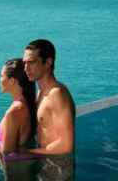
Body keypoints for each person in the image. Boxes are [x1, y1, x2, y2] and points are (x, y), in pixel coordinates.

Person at [22, 39, 76, 180]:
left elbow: (65, 144)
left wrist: (26, 153)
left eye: (31, 62)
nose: (26, 68)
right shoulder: (41, 93)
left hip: (58, 172)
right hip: (46, 166)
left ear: (48, 62)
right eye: (25, 63)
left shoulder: (57, 94)